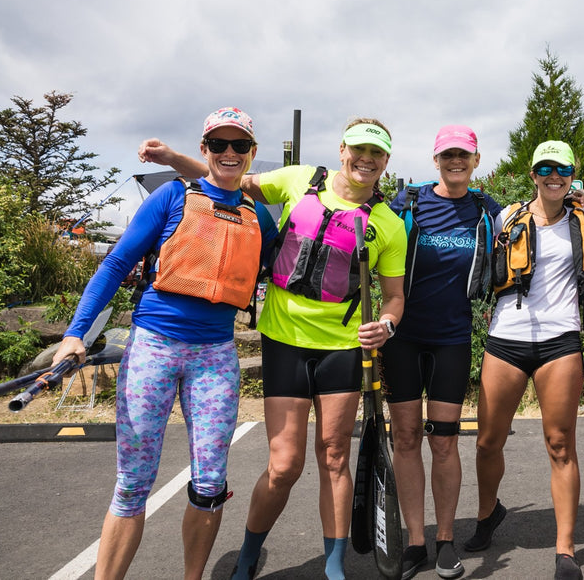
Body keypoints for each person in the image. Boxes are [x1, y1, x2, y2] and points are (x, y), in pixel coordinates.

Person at [138, 118, 407, 580]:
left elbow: (396, 296)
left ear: (385, 161)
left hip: (342, 348)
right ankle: (247, 556)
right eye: (359, 149)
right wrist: (173, 159)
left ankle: (335, 565)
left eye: (377, 154)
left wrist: (386, 323)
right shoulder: (300, 180)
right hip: (284, 342)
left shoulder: (388, 223)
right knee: (284, 466)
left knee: (336, 455)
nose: (366, 159)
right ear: (343, 149)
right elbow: (228, 178)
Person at [55, 107, 274, 579]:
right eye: (219, 144)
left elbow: (292, 270)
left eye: (240, 145)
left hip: (215, 356)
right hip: (154, 346)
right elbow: (114, 266)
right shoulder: (172, 196)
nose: (229, 153)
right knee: (132, 486)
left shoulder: (260, 217)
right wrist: (75, 334)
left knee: (210, 483)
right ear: (205, 149)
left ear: (252, 152)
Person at [464, 140, 584, 580]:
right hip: (506, 338)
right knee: (488, 441)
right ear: (533, 173)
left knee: (560, 444)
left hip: (560, 341)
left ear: (572, 173)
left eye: (561, 168)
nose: (553, 175)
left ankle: (565, 549)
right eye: (545, 168)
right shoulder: (508, 217)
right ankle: (488, 513)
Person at [384, 125, 502, 579]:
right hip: (403, 338)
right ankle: (415, 540)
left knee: (445, 440)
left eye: (464, 155)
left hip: (453, 339)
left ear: (475, 161)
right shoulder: (408, 203)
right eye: (448, 155)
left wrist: (579, 203)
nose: (456, 162)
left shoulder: (485, 209)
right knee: (407, 437)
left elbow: (533, 214)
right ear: (436, 160)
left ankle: (445, 539)